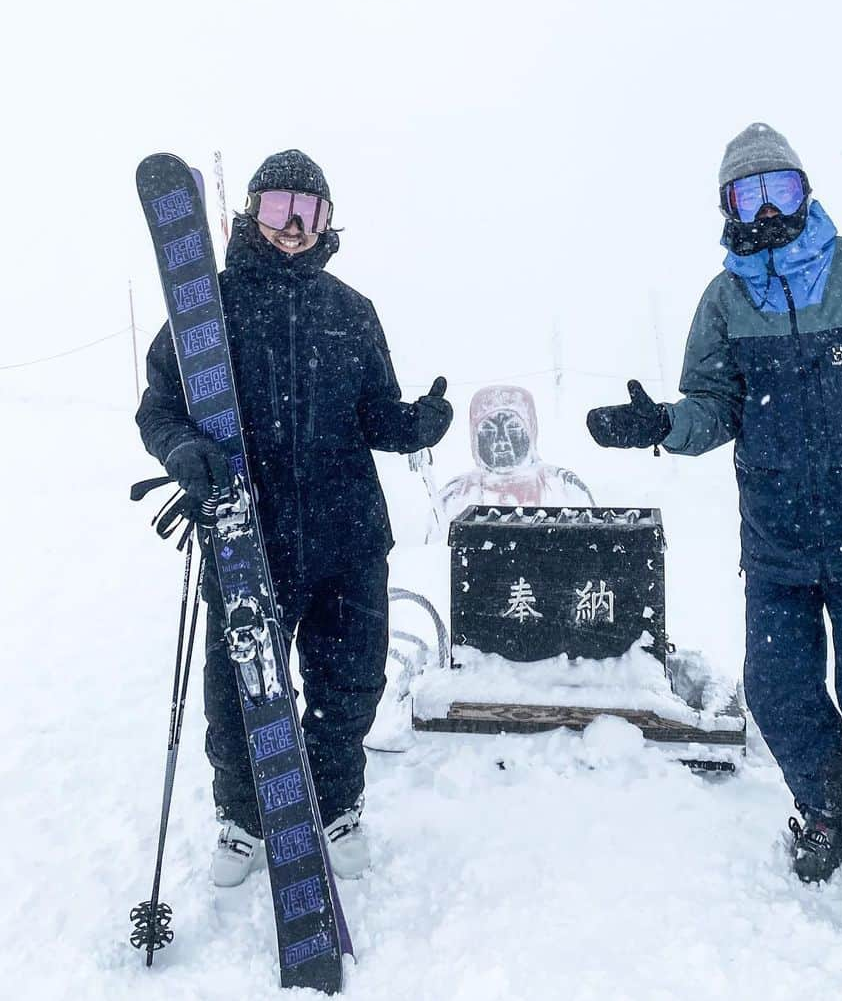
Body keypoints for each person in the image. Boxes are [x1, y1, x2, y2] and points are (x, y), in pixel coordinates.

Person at [585, 123, 842, 883]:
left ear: (806, 192)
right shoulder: (727, 301)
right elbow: (715, 406)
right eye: (749, 195)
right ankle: (829, 806)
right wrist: (664, 423)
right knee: (778, 690)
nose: (767, 211)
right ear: (727, 208)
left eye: (781, 191)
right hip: (777, 543)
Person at [136, 150, 452, 885]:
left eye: (309, 214)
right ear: (252, 212)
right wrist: (183, 447)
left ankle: (336, 805)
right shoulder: (204, 307)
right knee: (240, 689)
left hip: (348, 534)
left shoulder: (350, 310)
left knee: (350, 684)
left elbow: (375, 412)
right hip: (249, 534)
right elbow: (159, 406)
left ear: (328, 223)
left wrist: (415, 424)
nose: (293, 228)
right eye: (279, 209)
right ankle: (244, 820)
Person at [435, 384, 594, 528]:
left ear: (531, 429)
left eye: (513, 428)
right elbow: (435, 553)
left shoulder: (563, 486)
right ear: (474, 436)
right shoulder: (455, 495)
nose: (501, 441)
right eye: (489, 430)